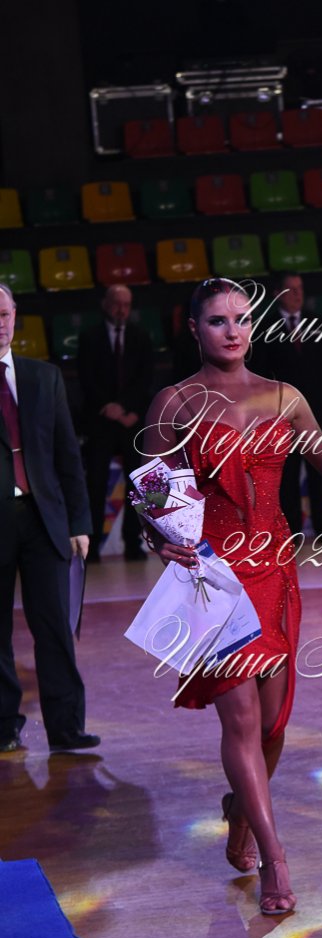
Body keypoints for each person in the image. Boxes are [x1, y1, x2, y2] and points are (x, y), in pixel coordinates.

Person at [141, 277, 322, 914]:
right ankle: (275, 859)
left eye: (242, 318)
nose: (232, 330)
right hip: (211, 576)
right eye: (217, 320)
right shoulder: (174, 403)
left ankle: (240, 811)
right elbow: (152, 494)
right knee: (240, 720)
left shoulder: (286, 397)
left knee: (273, 725)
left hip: (277, 570)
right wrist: (159, 541)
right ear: (194, 329)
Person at [0, 284, 99, 753]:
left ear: (15, 315)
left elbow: (67, 456)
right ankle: (4, 725)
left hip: (45, 520)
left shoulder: (45, 377)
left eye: (3, 314)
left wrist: (79, 521)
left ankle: (66, 728)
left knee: (55, 626)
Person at [249, 272, 322, 535]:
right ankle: (292, 533)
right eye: (291, 289)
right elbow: (259, 375)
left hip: (318, 411)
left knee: (320, 472)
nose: (298, 294)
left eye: (300, 289)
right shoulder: (265, 327)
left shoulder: (319, 322)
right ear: (277, 293)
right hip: (281, 416)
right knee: (287, 476)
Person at [78, 284, 154, 560]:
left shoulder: (141, 336)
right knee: (95, 484)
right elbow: (87, 378)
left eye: (126, 304)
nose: (121, 309)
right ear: (105, 304)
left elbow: (146, 379)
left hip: (131, 421)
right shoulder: (90, 337)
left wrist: (127, 409)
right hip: (101, 422)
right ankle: (92, 546)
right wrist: (109, 407)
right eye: (116, 303)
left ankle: (133, 543)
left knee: (137, 485)